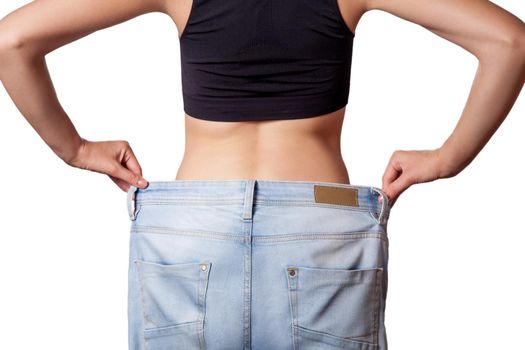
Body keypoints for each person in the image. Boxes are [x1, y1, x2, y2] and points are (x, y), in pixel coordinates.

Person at [1, 0, 524, 349]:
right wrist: (448, 157)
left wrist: (75, 148)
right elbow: (510, 43)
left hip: (191, 231)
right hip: (323, 228)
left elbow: (13, 42)